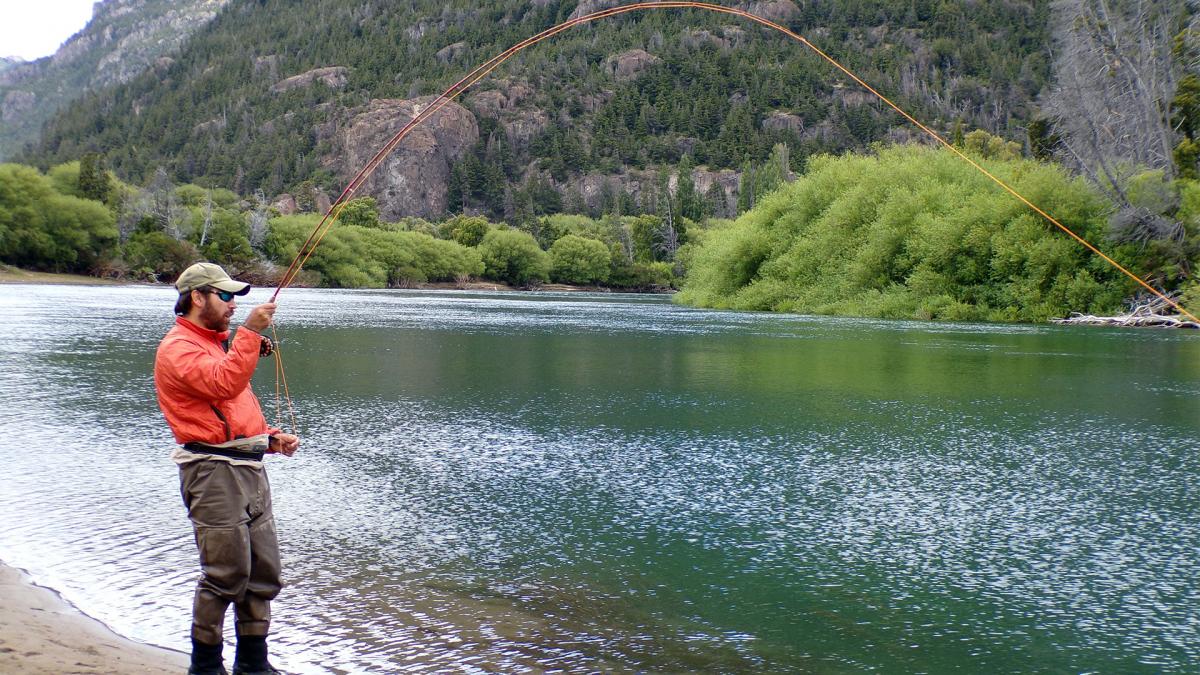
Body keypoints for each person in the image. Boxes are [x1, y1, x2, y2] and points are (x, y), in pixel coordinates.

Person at [154, 262, 300, 675]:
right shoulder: (178, 348)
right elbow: (222, 385)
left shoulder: (216, 344)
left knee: (263, 570)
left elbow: (231, 407)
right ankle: (205, 667)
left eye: (235, 297)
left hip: (248, 469)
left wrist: (269, 438)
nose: (234, 304)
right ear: (197, 297)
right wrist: (250, 334)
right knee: (225, 575)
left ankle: (253, 664)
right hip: (211, 473)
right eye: (225, 296)